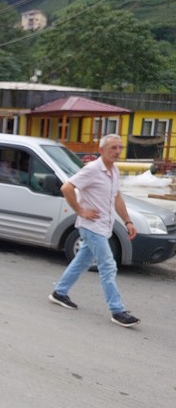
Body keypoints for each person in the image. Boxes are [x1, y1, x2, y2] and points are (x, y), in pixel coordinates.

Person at [48, 134, 140, 328]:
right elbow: (67, 188)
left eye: (120, 148)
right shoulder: (91, 170)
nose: (117, 151)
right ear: (101, 150)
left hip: (104, 226)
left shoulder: (114, 171)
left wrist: (128, 221)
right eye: (113, 148)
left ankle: (59, 293)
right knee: (108, 265)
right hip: (91, 227)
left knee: (81, 261)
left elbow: (117, 198)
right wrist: (81, 211)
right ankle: (117, 310)